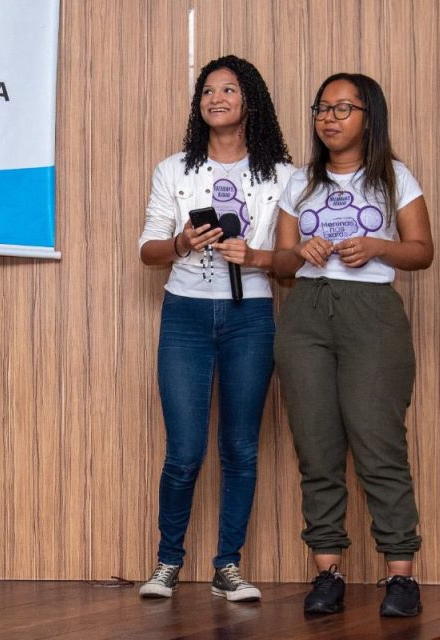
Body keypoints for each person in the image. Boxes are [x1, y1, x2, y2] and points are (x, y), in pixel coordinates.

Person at [272, 73, 434, 617]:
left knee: (378, 443)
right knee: (316, 446)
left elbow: (422, 252)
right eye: (322, 107)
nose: (329, 118)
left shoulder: (395, 178)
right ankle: (328, 573)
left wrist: (378, 246)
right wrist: (303, 252)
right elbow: (281, 264)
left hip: (372, 316)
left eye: (343, 108)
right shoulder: (300, 182)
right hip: (307, 316)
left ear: (370, 116)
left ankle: (400, 577)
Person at [137, 55, 295, 602]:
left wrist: (254, 255)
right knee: (183, 451)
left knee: (240, 449)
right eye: (207, 91)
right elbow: (147, 251)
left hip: (251, 318)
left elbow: (294, 263)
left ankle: (228, 565)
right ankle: (166, 562)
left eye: (228, 89)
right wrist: (183, 242)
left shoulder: (284, 176)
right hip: (184, 315)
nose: (216, 98)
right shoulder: (173, 169)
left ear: (250, 99)